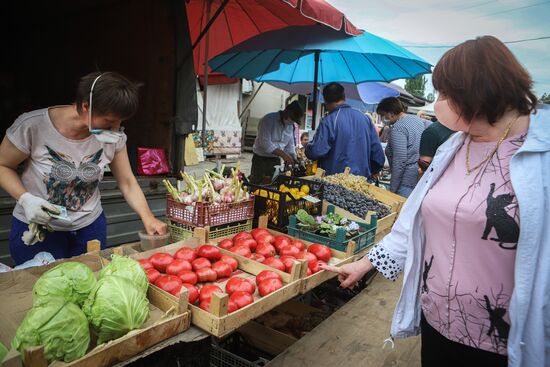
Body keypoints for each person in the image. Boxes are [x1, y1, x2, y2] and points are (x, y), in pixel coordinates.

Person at [323, 36, 548, 367]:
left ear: (477, 90)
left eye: (445, 93)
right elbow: (414, 218)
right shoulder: (454, 147)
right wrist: (366, 263)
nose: (439, 101)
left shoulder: (539, 156)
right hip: (437, 325)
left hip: (500, 343)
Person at [0, 71, 167, 265]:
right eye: (109, 122)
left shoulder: (114, 138)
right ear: (86, 107)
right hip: (38, 228)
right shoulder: (32, 126)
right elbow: (3, 165)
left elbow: (127, 182)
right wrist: (26, 199)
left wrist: (148, 217)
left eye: (120, 123)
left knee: (88, 282)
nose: (116, 129)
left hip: (89, 227)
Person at [305, 82, 385, 177]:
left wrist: (307, 147)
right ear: (344, 97)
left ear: (325, 101)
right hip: (361, 182)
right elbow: (378, 156)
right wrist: (372, 171)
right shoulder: (364, 118)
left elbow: (316, 151)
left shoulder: (329, 121)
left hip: (335, 182)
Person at [377, 97, 428, 197]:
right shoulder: (417, 120)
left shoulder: (398, 128)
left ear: (391, 113)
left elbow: (400, 161)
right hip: (417, 178)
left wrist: (393, 189)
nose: (383, 118)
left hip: (405, 181)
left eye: (383, 115)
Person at [249, 101, 303, 184]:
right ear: (286, 111)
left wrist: (293, 158)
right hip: (261, 160)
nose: (292, 122)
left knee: (274, 185)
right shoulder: (268, 119)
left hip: (276, 160)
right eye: (292, 118)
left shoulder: (290, 126)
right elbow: (265, 142)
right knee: (257, 185)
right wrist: (283, 154)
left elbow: (290, 146)